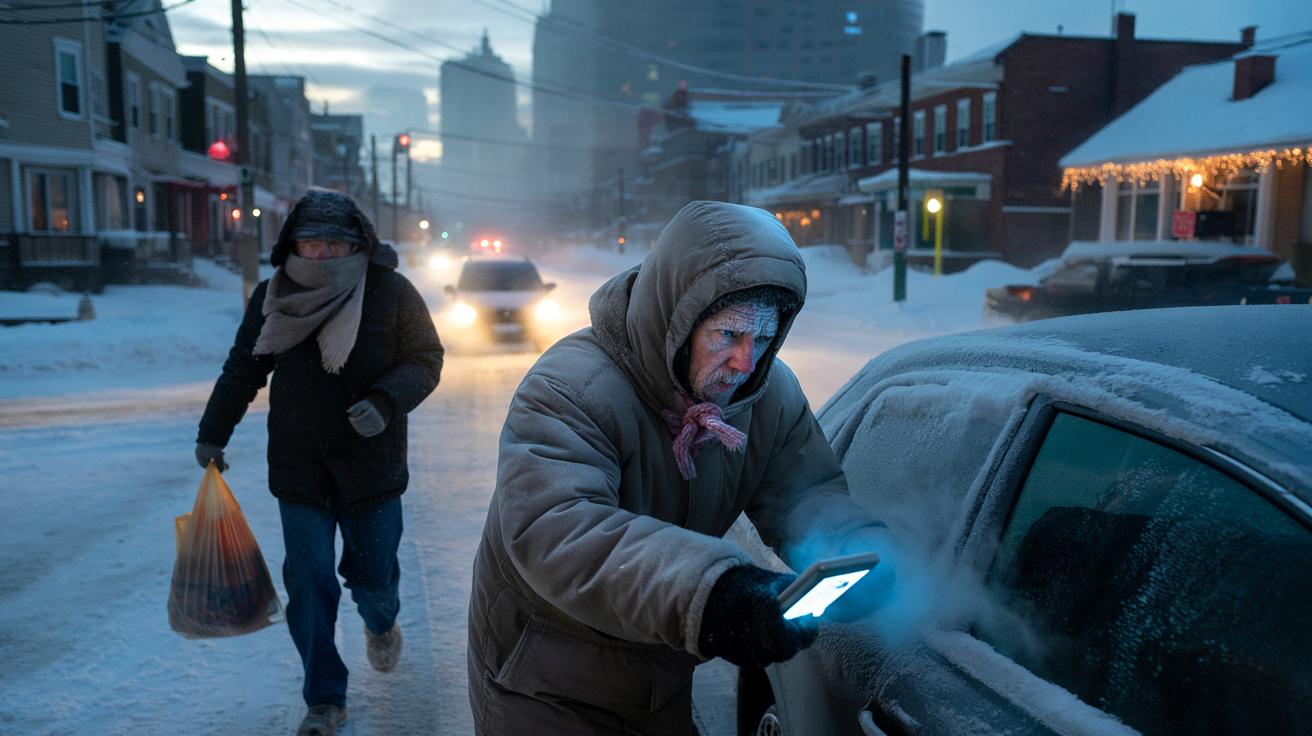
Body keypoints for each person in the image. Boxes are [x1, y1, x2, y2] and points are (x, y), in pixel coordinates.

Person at [467, 200, 893, 734]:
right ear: (677, 319)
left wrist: (858, 548)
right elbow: (558, 529)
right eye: (728, 335)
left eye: (764, 338)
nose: (747, 362)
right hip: (545, 680)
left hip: (659, 671)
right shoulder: (571, 388)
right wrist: (714, 594)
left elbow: (805, 494)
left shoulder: (769, 394)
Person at [195, 189, 443, 736]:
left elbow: (426, 359)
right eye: (313, 242)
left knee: (375, 580)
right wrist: (213, 434)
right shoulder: (273, 295)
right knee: (308, 582)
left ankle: (382, 624)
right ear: (293, 245)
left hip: (372, 466)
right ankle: (325, 699)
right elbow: (243, 371)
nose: (325, 254)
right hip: (300, 466)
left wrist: (385, 401)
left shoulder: (390, 292)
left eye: (337, 242)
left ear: (359, 244)